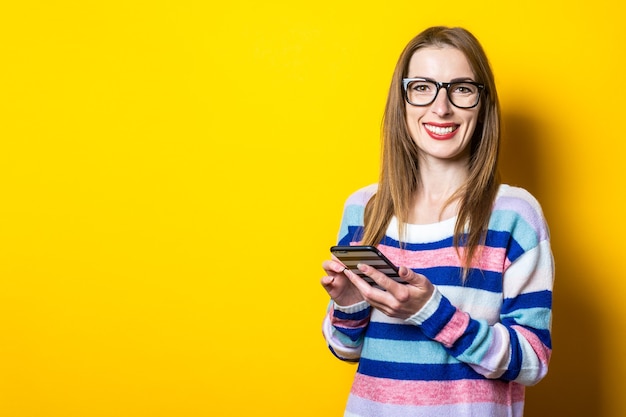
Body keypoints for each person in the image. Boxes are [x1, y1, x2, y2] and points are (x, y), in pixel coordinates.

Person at [320, 26, 554, 417]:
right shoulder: (363, 208)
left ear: (482, 103)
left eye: (461, 89)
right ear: (403, 99)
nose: (441, 108)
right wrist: (350, 304)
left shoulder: (515, 216)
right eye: (423, 87)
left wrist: (431, 310)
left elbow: (532, 361)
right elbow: (345, 349)